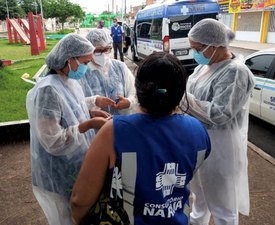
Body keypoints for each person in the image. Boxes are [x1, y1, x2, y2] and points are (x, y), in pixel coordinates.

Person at [71, 52, 211, 225]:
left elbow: (80, 200)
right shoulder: (198, 130)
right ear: (181, 92)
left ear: (137, 89)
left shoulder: (113, 131)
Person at [26, 34, 116, 225]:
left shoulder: (68, 80)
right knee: (65, 218)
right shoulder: (47, 90)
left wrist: (92, 108)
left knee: (79, 215)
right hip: (57, 168)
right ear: (70, 60)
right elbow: (53, 141)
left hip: (74, 161)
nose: (87, 66)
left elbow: (71, 106)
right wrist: (89, 125)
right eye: (85, 62)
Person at [180, 18, 256, 225]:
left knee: (223, 207)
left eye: (197, 48)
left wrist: (184, 100)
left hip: (221, 147)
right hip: (198, 142)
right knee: (200, 198)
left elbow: (220, 114)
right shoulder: (202, 69)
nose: (194, 53)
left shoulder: (235, 72)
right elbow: (189, 97)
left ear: (213, 46)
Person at [80, 28, 137, 115]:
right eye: (98, 51)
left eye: (107, 49)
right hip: (96, 127)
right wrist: (93, 102)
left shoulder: (120, 67)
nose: (103, 54)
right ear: (89, 50)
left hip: (121, 124)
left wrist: (129, 101)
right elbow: (74, 102)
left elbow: (134, 90)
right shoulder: (81, 72)